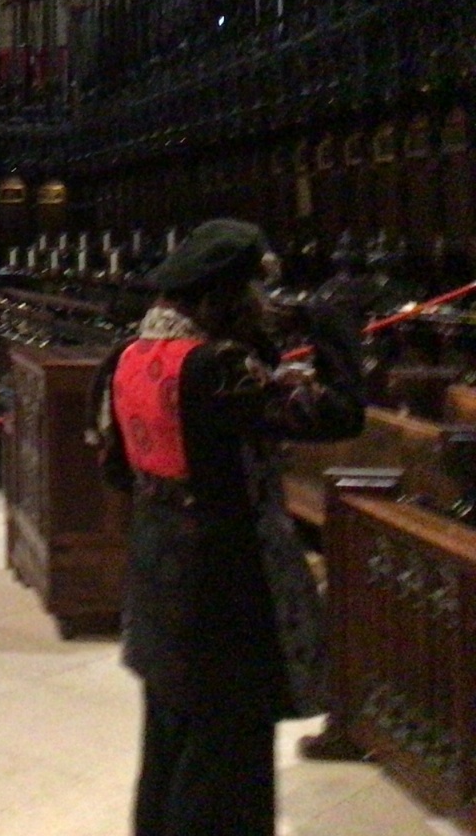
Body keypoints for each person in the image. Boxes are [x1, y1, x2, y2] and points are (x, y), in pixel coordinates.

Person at [92, 218, 364, 836]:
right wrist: (335, 335)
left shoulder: (127, 357)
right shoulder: (217, 367)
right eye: (255, 293)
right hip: (226, 588)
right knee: (227, 759)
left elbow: (115, 469)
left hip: (158, 571)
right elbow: (338, 414)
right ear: (229, 295)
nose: (264, 305)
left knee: (171, 739)